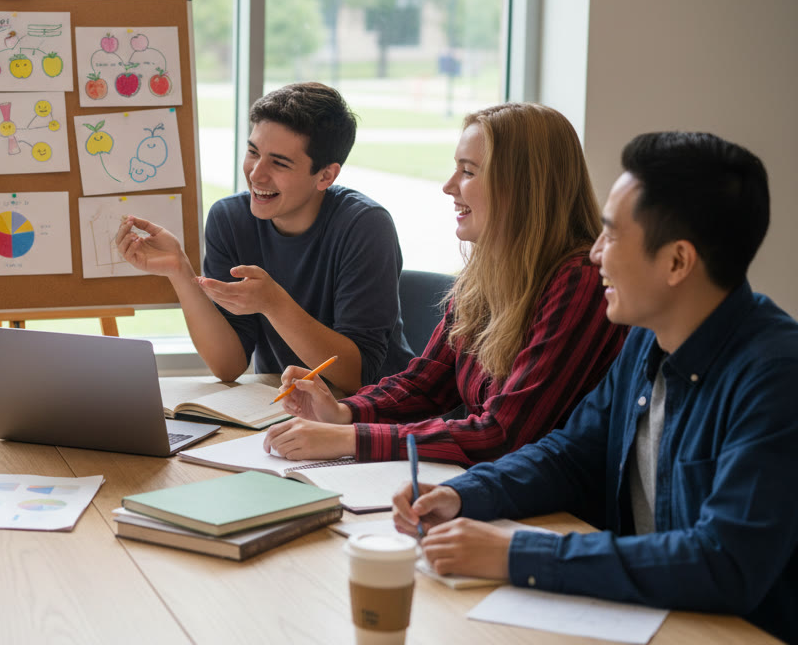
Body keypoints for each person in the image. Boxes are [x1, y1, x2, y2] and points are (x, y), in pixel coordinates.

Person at [393, 132, 797, 642]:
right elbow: (571, 454)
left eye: (612, 236)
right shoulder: (647, 339)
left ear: (677, 262)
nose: (595, 254)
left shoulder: (776, 376)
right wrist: (460, 493)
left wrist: (516, 554)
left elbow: (723, 560)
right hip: (647, 617)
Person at [265, 102, 626, 466]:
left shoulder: (581, 283)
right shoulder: (486, 275)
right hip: (487, 485)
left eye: (467, 172)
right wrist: (343, 412)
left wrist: (350, 438)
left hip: (554, 508)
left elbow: (503, 435)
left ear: (521, 186)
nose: (448, 187)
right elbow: (425, 384)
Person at [115, 82, 412, 391]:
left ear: (326, 175)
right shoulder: (230, 220)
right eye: (253, 152)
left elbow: (357, 376)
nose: (256, 174)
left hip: (377, 414)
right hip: (288, 406)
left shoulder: (365, 226)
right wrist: (179, 270)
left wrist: (274, 304)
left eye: (279, 162)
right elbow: (228, 365)